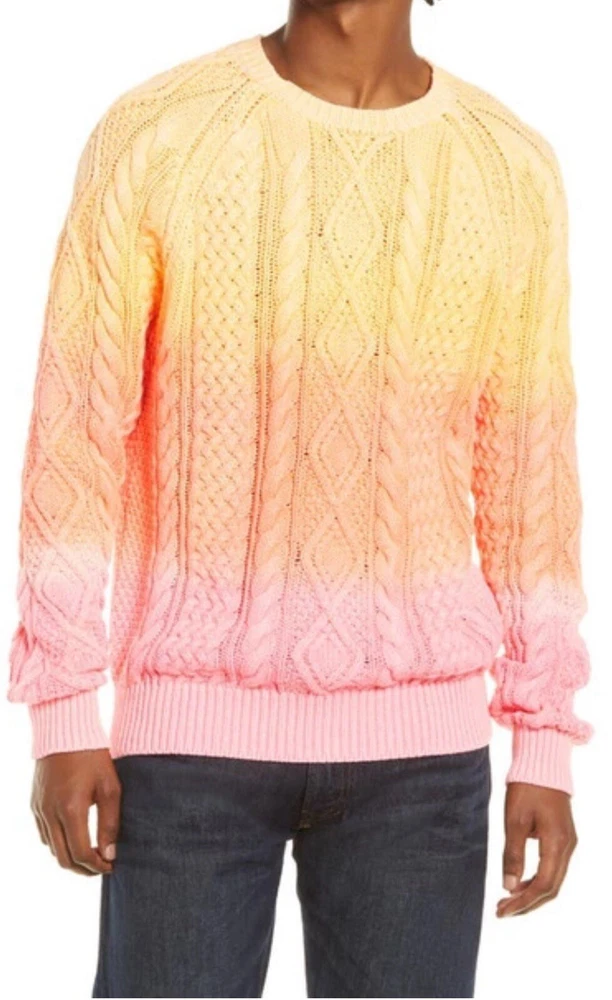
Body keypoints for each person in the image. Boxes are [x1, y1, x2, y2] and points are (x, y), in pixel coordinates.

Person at [8, 1, 592, 997]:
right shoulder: (159, 134)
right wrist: (63, 713)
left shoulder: (509, 170)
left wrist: (544, 738)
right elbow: (74, 438)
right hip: (188, 747)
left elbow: (529, 469)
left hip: (422, 763)